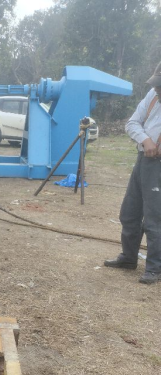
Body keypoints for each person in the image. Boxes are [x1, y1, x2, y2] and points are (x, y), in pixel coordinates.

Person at [104, 63, 161, 284]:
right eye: (156, 85)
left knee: (155, 219)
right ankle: (129, 258)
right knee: (130, 211)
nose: (156, 89)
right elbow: (132, 123)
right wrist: (145, 140)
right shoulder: (152, 96)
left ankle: (154, 268)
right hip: (143, 160)